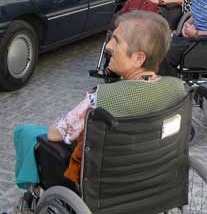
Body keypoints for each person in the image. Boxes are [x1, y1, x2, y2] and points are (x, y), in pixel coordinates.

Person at [12, 11, 186, 212]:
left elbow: (55, 134)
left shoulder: (102, 97)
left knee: (28, 134)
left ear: (139, 58)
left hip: (106, 184)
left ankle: (32, 195)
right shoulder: (177, 89)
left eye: (116, 41)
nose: (109, 46)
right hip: (154, 174)